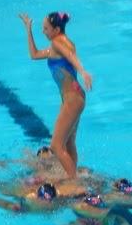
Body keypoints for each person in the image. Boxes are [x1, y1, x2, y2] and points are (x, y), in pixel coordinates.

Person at [18, 11, 92, 179]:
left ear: (56, 29)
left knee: (56, 146)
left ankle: (74, 181)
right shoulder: (59, 44)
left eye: (45, 28)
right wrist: (28, 29)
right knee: (69, 142)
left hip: (72, 99)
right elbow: (34, 54)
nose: (43, 31)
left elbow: (71, 56)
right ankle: (72, 173)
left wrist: (83, 72)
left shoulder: (58, 43)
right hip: (73, 97)